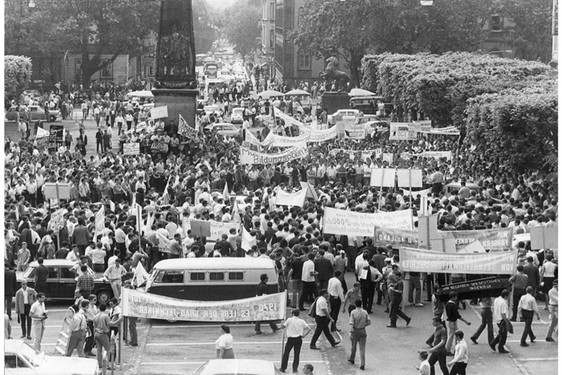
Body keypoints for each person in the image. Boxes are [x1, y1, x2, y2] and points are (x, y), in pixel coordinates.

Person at [280, 309, 311, 373]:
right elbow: (309, 329)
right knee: (296, 354)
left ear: (293, 314)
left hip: (291, 339)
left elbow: (282, 327)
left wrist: (282, 322)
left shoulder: (289, 320)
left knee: (286, 353)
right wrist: (303, 335)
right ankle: (294, 369)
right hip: (298, 339)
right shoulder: (301, 321)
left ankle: (283, 368)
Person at [348, 299, 371, 371]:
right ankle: (362, 364)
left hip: (355, 330)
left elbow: (351, 323)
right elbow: (369, 322)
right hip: (363, 330)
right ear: (361, 304)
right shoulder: (365, 312)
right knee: (362, 349)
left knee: (353, 346)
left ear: (355, 304)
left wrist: (351, 331)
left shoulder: (353, 312)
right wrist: (364, 325)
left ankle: (352, 358)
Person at [490, 289, 510, 353]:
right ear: (505, 296)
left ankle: (493, 343)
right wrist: (507, 322)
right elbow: (503, 314)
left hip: (497, 318)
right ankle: (500, 348)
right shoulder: (504, 303)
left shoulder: (497, 299)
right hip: (502, 320)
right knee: (504, 335)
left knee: (502, 333)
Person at [93, 303, 112, 370]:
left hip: (96, 333)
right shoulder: (105, 316)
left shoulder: (95, 316)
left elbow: (94, 326)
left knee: (99, 350)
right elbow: (109, 324)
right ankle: (107, 365)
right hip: (103, 333)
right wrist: (118, 321)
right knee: (107, 349)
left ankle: (99, 364)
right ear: (105, 309)